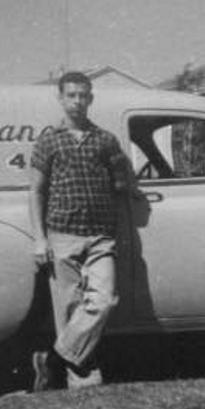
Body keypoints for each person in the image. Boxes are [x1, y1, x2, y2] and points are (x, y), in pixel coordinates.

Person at [28, 71, 132, 391]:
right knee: (70, 309)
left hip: (101, 235)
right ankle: (82, 379)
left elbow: (120, 184)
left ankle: (53, 360)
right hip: (62, 234)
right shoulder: (48, 141)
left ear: (91, 98)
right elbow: (36, 191)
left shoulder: (105, 140)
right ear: (60, 98)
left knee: (104, 300)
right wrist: (39, 238)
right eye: (71, 95)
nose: (77, 101)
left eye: (83, 95)